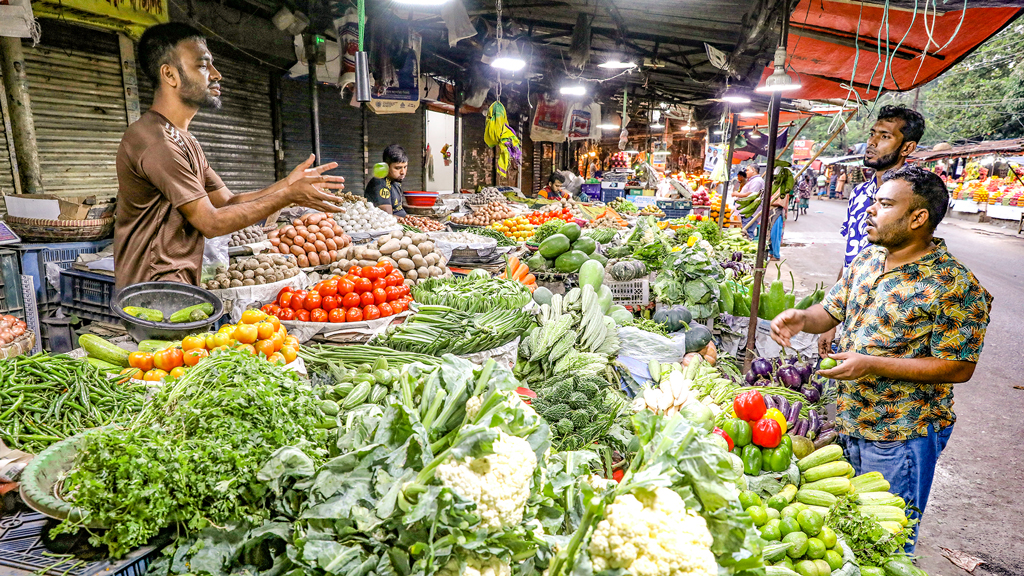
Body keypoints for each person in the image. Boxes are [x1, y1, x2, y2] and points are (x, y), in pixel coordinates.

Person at [770, 165, 991, 553]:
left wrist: (870, 364)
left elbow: (960, 367)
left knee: (886, 543)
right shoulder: (870, 259)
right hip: (852, 419)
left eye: (885, 204)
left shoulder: (955, 285)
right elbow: (831, 311)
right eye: (874, 201)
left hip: (901, 434)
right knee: (850, 532)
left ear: (918, 218)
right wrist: (802, 319)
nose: (871, 210)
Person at [114, 23, 344, 289]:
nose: (217, 74)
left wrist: (287, 185)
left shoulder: (184, 139)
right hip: (151, 294)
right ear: (170, 75)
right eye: (203, 65)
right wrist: (287, 196)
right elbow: (210, 222)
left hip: (176, 287)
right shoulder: (156, 140)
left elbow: (227, 202)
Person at [819, 105, 925, 356]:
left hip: (887, 326)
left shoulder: (916, 195)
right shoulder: (858, 193)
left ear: (907, 148)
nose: (872, 142)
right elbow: (850, 260)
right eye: (872, 134)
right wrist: (831, 318)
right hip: (850, 319)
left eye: (885, 136)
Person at [365, 145, 409, 216]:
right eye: (398, 168)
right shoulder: (380, 183)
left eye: (405, 167)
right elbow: (387, 217)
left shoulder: (396, 182)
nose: (403, 172)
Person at [734, 165, 764, 234]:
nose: (746, 172)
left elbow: (751, 195)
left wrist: (736, 194)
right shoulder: (753, 180)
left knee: (748, 232)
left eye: (747, 170)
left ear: (753, 170)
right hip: (747, 212)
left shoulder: (757, 181)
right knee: (746, 232)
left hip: (750, 212)